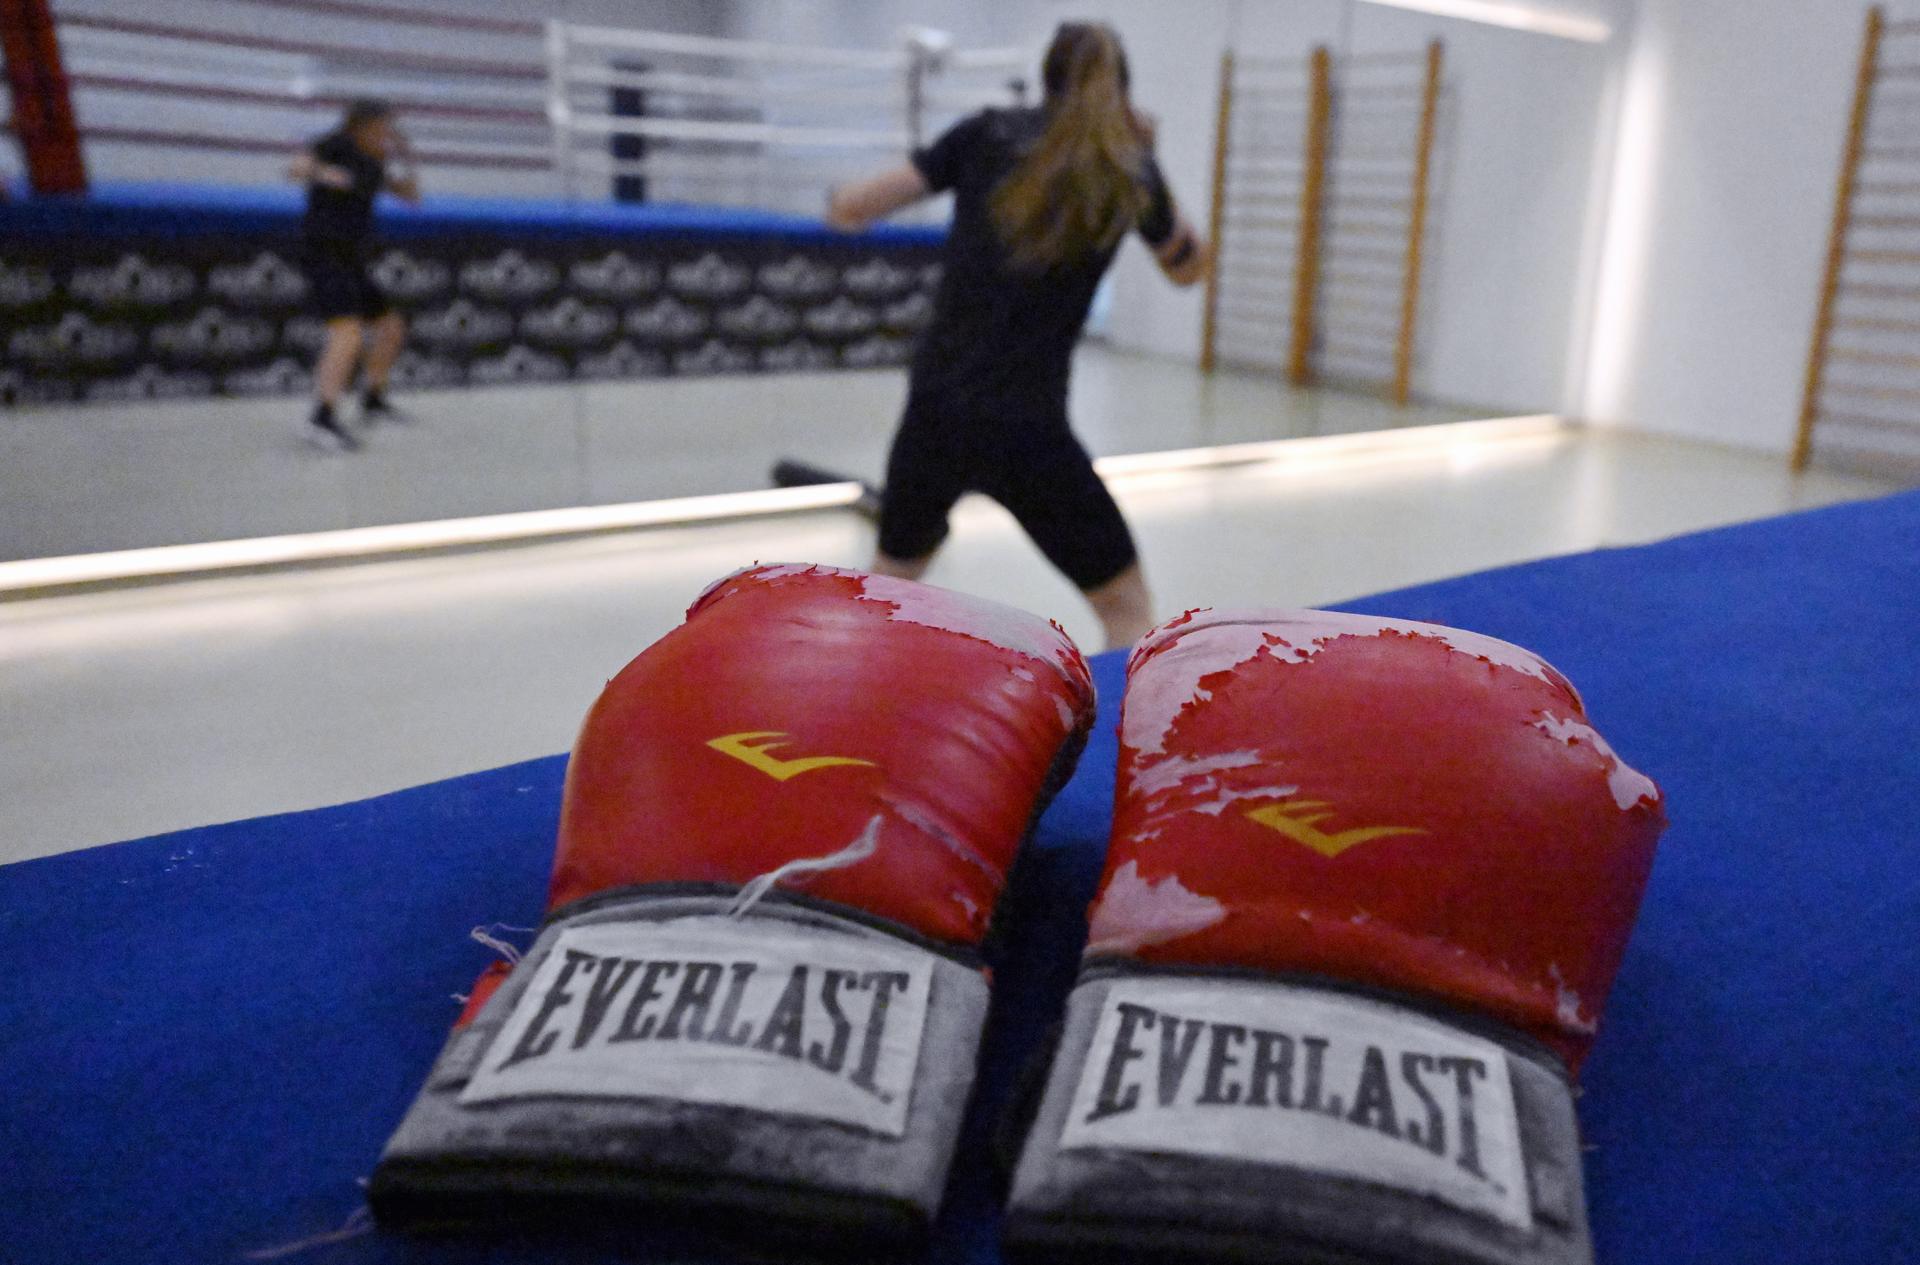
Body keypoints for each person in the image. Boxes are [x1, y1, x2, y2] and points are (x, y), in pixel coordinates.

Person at [825, 21, 1208, 650]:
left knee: (891, 585)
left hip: (936, 412)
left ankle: (849, 725)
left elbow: (853, 207)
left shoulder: (985, 134)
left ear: (1047, 79)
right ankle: (1126, 738)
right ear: (1122, 90)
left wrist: (836, 198)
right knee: (1125, 607)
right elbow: (1187, 268)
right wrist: (1149, 157)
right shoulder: (1128, 169)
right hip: (1029, 431)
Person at [289, 99, 420, 451]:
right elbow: (296, 169)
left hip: (352, 261)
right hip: (323, 255)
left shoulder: (376, 162)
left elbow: (412, 197)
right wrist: (324, 174)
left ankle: (372, 399)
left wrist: (407, 158)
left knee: (390, 328)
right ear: (362, 125)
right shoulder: (335, 145)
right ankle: (321, 417)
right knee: (347, 335)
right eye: (382, 127)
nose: (387, 134)